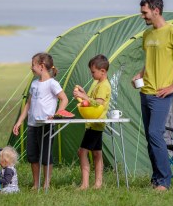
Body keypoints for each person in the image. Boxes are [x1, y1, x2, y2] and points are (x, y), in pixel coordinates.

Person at [132, 0, 173, 191]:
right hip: (145, 92)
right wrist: (140, 73)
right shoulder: (147, 35)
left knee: (155, 134)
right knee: (150, 137)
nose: (142, 16)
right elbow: (151, 60)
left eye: (145, 12)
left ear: (156, 11)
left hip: (161, 95)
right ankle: (156, 179)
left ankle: (164, 182)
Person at [12, 52, 68, 189]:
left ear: (41, 66)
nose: (31, 68)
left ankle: (46, 184)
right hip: (32, 125)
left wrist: (57, 114)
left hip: (46, 125)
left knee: (45, 155)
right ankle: (36, 183)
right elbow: (28, 104)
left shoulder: (52, 84)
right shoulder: (34, 84)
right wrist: (19, 122)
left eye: (33, 65)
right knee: (32, 155)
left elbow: (64, 99)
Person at [73, 54, 112, 190]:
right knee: (97, 153)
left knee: (82, 152)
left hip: (96, 124)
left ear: (103, 71)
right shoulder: (97, 84)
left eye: (93, 72)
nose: (92, 74)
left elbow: (99, 103)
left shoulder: (104, 86)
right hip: (94, 123)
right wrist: (84, 94)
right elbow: (92, 99)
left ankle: (84, 184)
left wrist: (84, 97)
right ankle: (98, 183)